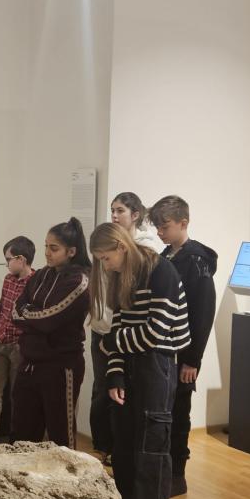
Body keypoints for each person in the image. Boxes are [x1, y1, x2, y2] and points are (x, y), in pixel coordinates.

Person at [89, 222, 189, 499]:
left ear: (121, 247)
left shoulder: (161, 272)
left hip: (157, 367)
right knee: (125, 453)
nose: (106, 266)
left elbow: (155, 334)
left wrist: (111, 344)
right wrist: (115, 373)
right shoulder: (125, 275)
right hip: (133, 366)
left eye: (106, 258)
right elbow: (121, 325)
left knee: (150, 457)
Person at [150, 195, 217, 497]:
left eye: (165, 226)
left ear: (183, 223)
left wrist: (192, 360)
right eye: (158, 227)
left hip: (183, 353)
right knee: (165, 411)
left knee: (179, 413)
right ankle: (162, 469)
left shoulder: (197, 261)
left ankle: (177, 475)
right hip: (165, 348)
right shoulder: (167, 255)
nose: (160, 232)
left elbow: (202, 314)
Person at [90, 192, 159, 464]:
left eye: (120, 210)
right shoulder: (108, 245)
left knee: (120, 394)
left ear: (136, 214)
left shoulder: (146, 253)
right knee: (102, 389)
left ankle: (119, 451)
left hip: (127, 333)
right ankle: (103, 448)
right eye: (113, 210)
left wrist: (116, 334)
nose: (115, 215)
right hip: (105, 326)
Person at [11, 218, 91, 448]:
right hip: (29, 363)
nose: (46, 252)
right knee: (22, 432)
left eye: (53, 248)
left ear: (71, 251)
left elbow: (48, 320)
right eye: (46, 246)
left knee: (60, 435)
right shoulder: (41, 275)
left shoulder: (79, 280)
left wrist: (28, 313)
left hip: (60, 367)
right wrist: (33, 314)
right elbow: (15, 311)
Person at [0, 236, 35, 443]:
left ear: (21, 259)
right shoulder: (8, 279)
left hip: (19, 345)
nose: (6, 264)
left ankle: (17, 436)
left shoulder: (36, 282)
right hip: (0, 340)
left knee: (18, 394)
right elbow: (2, 309)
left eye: (8, 259)